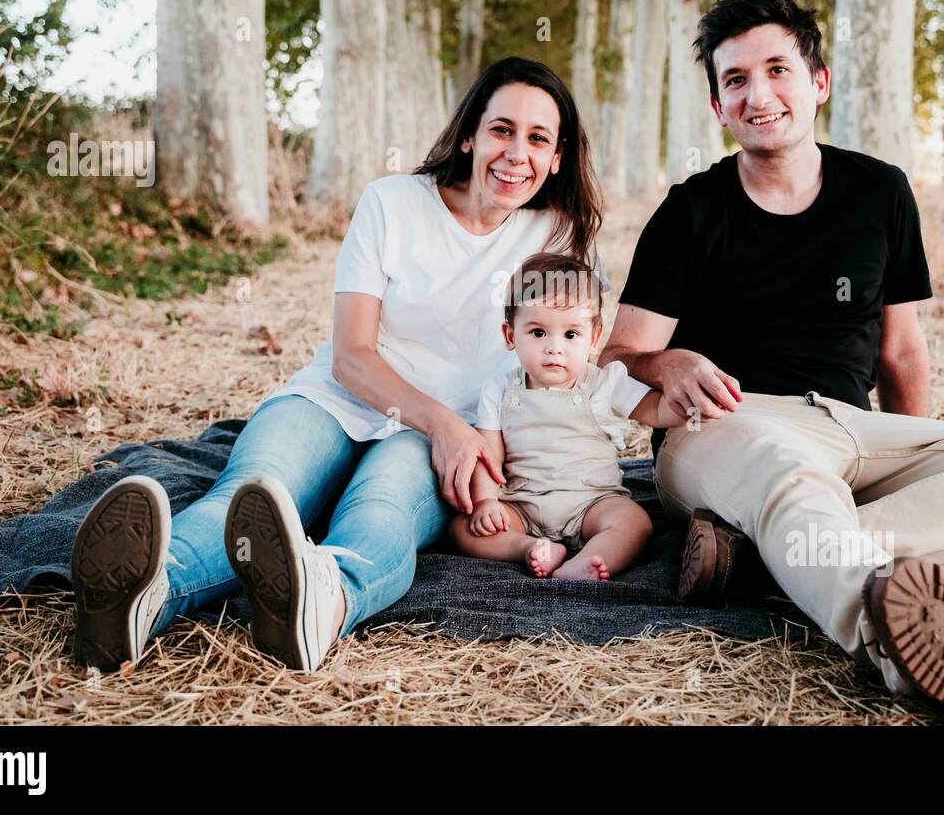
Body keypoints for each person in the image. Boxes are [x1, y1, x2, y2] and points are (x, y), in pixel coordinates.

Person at [598, 0, 944, 724]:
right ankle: (893, 637)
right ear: (718, 108)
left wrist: (911, 453)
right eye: (735, 80)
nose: (758, 94)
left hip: (855, 430)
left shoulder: (880, 192)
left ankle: (766, 553)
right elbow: (619, 356)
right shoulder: (690, 211)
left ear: (818, 83)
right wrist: (662, 363)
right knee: (785, 475)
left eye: (777, 70)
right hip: (728, 426)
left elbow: (900, 352)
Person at [70, 56, 606, 673]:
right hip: (342, 401)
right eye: (502, 130)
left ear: (559, 156)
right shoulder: (392, 203)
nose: (517, 153)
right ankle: (140, 594)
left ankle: (321, 599)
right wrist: (442, 423)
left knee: (380, 512)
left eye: (539, 138)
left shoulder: (561, 240)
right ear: (469, 135)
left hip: (440, 437)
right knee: (252, 492)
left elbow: (578, 356)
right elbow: (352, 353)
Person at [448, 252, 685, 580]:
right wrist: (487, 501)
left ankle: (590, 560)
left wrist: (684, 406)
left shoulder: (604, 382)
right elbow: (488, 455)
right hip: (522, 502)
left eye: (570, 334)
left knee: (634, 522)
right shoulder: (499, 390)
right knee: (463, 528)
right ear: (509, 335)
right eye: (538, 333)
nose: (554, 348)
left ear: (593, 338)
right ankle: (529, 547)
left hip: (592, 501)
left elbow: (654, 410)